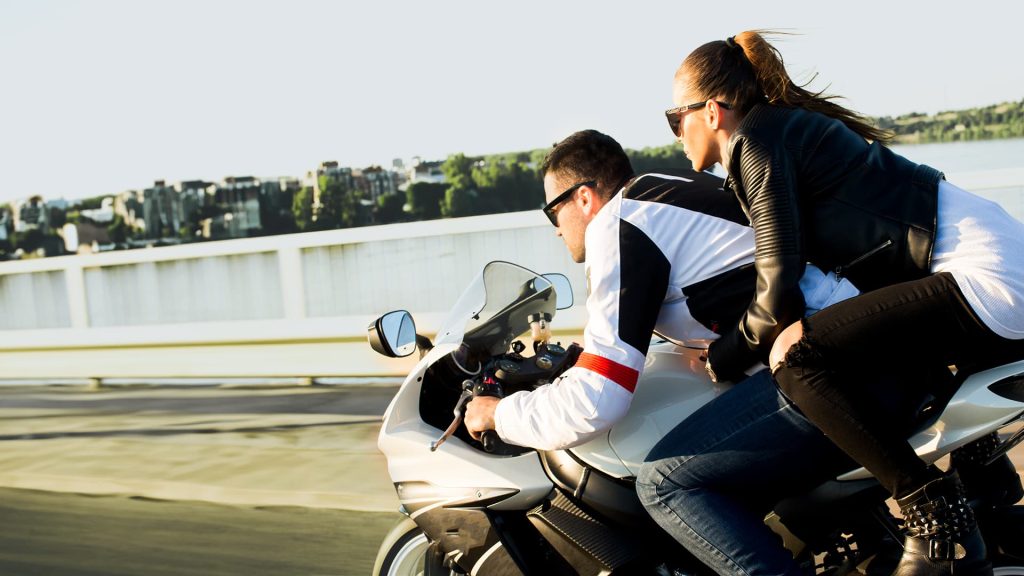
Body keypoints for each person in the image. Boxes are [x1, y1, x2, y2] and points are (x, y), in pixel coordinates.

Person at [663, 30, 1024, 576]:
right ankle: (987, 494)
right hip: (993, 265)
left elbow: (776, 282)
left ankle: (934, 513)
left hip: (986, 280)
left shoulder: (757, 144)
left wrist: (724, 356)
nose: (674, 135)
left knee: (800, 359)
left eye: (675, 118)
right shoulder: (779, 133)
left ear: (712, 112)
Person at [463, 129, 866, 574]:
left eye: (551, 211)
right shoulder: (660, 190)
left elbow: (599, 397)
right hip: (841, 335)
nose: (555, 230)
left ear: (583, 198)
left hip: (823, 366)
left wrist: (499, 415)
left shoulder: (617, 226)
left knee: (664, 486)